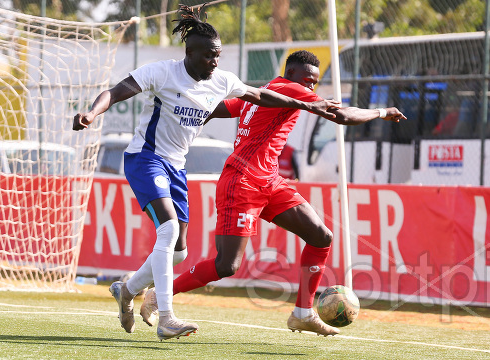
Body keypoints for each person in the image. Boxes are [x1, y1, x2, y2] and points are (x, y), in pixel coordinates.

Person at [72, 5, 338, 341]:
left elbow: (261, 96)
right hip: (146, 158)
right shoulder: (161, 72)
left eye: (219, 56)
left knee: (179, 251)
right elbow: (116, 91)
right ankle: (166, 317)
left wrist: (309, 104)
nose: (215, 63)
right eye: (210, 56)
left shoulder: (222, 81)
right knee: (168, 231)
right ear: (191, 53)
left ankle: (127, 288)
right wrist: (92, 113)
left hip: (177, 166)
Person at [139, 50, 406, 336]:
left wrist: (185, 121)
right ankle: (156, 296)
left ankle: (303, 313)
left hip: (269, 181)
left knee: (321, 237)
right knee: (227, 265)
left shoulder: (261, 93)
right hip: (241, 182)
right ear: (289, 74)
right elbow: (342, 116)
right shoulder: (288, 89)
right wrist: (383, 112)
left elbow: (216, 108)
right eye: (307, 81)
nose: (310, 89)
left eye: (314, 84)